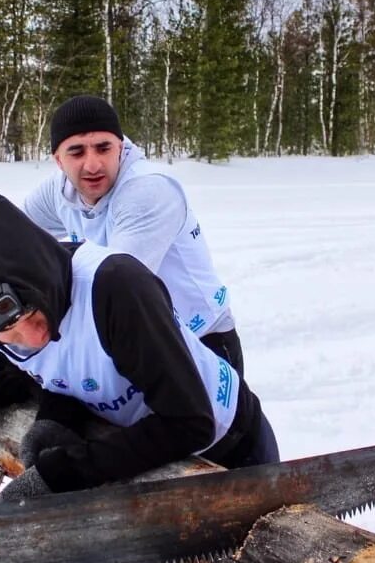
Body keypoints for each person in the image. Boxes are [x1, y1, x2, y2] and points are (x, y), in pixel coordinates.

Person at [0, 188, 278, 563]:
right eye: (8, 335)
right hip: (156, 452)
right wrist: (55, 422)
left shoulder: (114, 286)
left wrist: (66, 473)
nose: (28, 338)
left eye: (33, 319)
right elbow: (66, 369)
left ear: (37, 278)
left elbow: (189, 422)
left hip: (230, 445)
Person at [23, 95, 246, 374]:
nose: (92, 165)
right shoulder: (58, 192)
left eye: (103, 148)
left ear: (120, 148)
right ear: (58, 160)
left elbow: (117, 291)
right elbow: (12, 235)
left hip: (199, 341)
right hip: (136, 341)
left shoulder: (147, 191)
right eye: (77, 152)